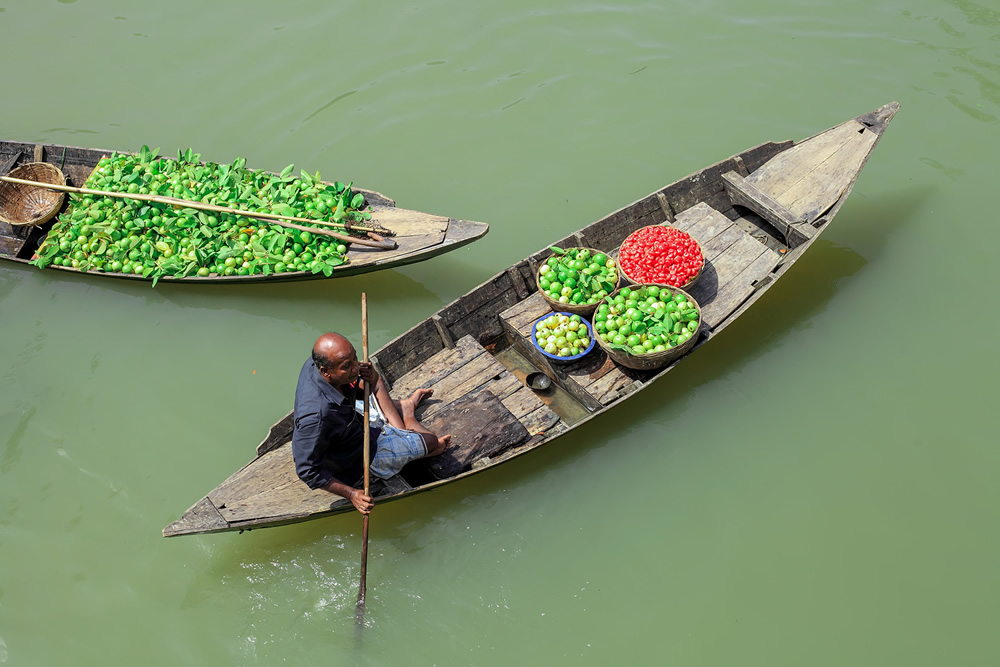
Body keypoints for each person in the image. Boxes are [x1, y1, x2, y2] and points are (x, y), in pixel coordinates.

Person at [292, 332, 451, 515]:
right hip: (360, 458)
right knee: (432, 442)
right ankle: (408, 417)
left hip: (353, 421)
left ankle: (401, 423)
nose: (356, 367)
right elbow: (307, 470)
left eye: (355, 358)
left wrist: (370, 376)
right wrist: (351, 494)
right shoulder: (316, 418)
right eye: (347, 366)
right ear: (325, 372)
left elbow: (360, 383)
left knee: (373, 378)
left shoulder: (315, 364)